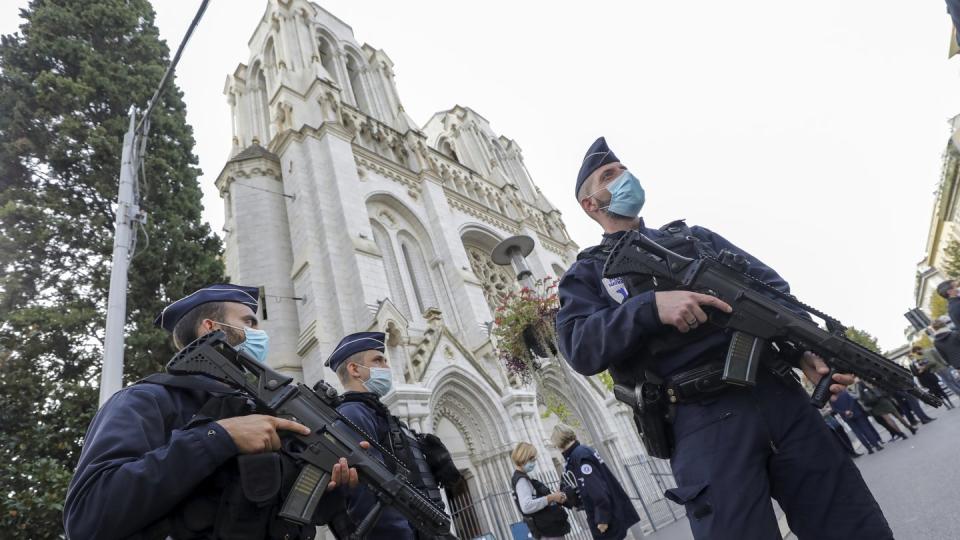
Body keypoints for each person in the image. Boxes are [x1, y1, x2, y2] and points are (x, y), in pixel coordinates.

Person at [555, 137, 891, 540]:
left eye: (624, 170)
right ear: (590, 204)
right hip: (700, 419)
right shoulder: (589, 274)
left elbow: (774, 292)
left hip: (779, 396)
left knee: (851, 525)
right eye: (610, 176)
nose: (624, 178)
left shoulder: (696, 239)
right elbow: (579, 345)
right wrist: (650, 308)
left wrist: (804, 351)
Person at [63, 284, 361, 540]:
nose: (261, 333)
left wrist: (333, 489)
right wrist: (219, 437)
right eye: (250, 322)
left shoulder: (263, 415)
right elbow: (88, 516)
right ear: (212, 328)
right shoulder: (147, 400)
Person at [325, 331, 460, 539]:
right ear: (354, 369)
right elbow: (368, 492)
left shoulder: (376, 412)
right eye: (378, 360)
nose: (387, 367)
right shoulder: (353, 413)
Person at [551, 424, 639, 540]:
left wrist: (602, 519)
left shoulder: (579, 456)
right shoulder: (582, 452)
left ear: (558, 443)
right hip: (608, 513)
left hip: (605, 519)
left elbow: (597, 490)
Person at [510, 442, 570, 540]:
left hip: (548, 529)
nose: (534, 462)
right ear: (524, 457)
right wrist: (551, 497)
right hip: (547, 531)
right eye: (532, 459)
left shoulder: (522, 478)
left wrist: (553, 497)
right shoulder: (521, 480)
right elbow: (526, 506)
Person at [831, 389, 884, 454]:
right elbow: (852, 401)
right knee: (866, 430)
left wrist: (845, 412)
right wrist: (850, 410)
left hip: (847, 417)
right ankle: (877, 446)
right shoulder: (845, 393)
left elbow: (835, 409)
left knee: (858, 433)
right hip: (856, 413)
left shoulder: (832, 399)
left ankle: (869, 449)